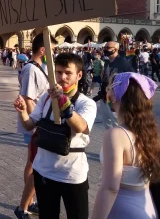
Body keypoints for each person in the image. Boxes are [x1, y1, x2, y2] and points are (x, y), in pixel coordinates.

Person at [14, 53, 97, 219]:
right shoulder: (46, 97)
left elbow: (81, 127)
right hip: (43, 171)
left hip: (72, 174)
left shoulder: (86, 103)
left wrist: (64, 102)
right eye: (58, 72)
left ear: (79, 75)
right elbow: (30, 124)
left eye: (68, 73)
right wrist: (23, 112)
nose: (62, 77)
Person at [91, 73, 160, 218]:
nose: (106, 92)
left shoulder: (116, 135)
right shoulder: (150, 132)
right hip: (146, 207)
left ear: (116, 96)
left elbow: (110, 188)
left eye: (109, 88)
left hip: (122, 210)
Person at [14, 33, 57, 219]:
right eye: (52, 49)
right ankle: (27, 203)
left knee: (32, 162)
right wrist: (37, 124)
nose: (53, 53)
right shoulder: (31, 70)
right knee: (33, 164)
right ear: (43, 49)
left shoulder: (40, 67)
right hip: (35, 124)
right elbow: (28, 99)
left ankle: (30, 201)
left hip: (38, 123)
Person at [95, 41, 133, 130]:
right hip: (104, 96)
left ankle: (120, 141)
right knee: (107, 123)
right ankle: (110, 141)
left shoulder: (123, 62)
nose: (105, 49)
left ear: (115, 49)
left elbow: (131, 77)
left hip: (115, 98)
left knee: (116, 122)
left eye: (108, 47)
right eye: (104, 47)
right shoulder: (107, 62)